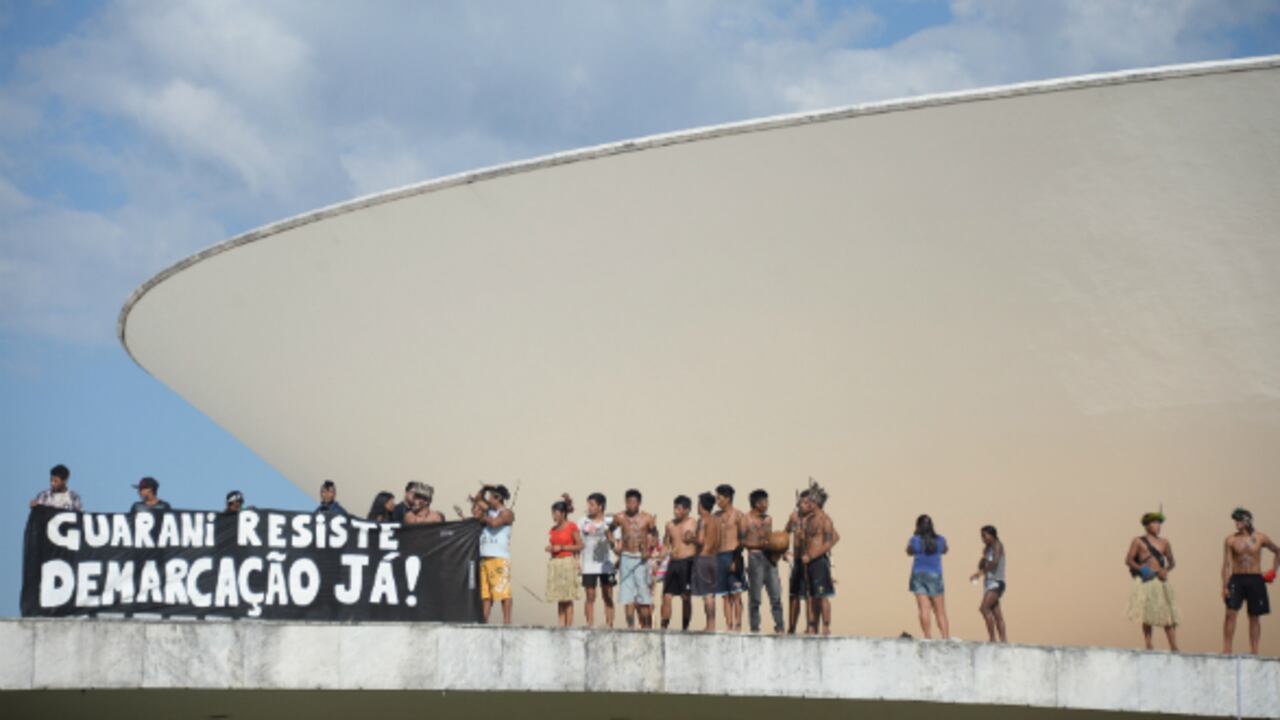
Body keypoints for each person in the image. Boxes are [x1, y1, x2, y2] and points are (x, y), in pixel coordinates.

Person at [1223, 508, 1278, 654]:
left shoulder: (1260, 537)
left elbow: (1277, 551)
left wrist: (1273, 570)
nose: (1236, 523)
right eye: (1236, 520)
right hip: (1237, 578)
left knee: (1254, 616)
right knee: (1230, 613)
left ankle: (1254, 650)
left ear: (1247, 521)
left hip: (1255, 578)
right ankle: (1227, 648)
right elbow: (1226, 564)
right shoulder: (1231, 540)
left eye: (1239, 520)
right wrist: (1225, 585)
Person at [1124, 512, 1179, 651]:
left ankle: (1174, 645)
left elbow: (1172, 562)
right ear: (1147, 526)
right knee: (1147, 614)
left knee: (1167, 613)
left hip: (1160, 581)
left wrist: (1166, 570)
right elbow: (1128, 560)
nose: (1158, 526)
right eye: (1154, 523)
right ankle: (1149, 644)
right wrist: (1141, 569)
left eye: (1159, 523)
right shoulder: (1138, 541)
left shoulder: (1165, 542)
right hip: (1147, 581)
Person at [612, 489, 658, 629]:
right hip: (626, 557)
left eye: (634, 501)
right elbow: (609, 531)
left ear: (639, 503)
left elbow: (655, 535)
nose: (631, 504)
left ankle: (647, 627)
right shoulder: (619, 517)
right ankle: (630, 628)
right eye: (628, 501)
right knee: (628, 597)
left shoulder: (647, 518)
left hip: (641, 559)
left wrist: (649, 550)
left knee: (643, 596)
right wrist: (614, 545)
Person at [473, 484, 515, 624]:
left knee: (503, 592)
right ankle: (485, 621)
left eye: (491, 496)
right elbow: (477, 499)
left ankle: (506, 622)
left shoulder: (506, 513)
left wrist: (481, 517)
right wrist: (484, 488)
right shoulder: (489, 510)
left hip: (498, 557)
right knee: (486, 595)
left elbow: (494, 523)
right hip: (485, 557)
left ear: (497, 498)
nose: (488, 498)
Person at [743, 489, 784, 634]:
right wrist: (758, 545)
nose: (767, 504)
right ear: (756, 503)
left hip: (769, 558)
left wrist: (779, 550)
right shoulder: (745, 519)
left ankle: (780, 626)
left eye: (767, 501)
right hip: (755, 558)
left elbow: (770, 539)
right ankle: (755, 628)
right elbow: (742, 541)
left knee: (776, 594)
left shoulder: (768, 519)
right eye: (764, 502)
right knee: (755, 597)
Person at [799, 488, 838, 635]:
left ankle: (826, 626)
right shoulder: (809, 519)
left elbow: (829, 543)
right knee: (810, 596)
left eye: (810, 501)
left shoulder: (825, 520)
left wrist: (812, 555)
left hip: (819, 562)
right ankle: (811, 625)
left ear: (815, 502)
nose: (807, 503)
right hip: (808, 562)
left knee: (822, 595)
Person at [907, 514, 949, 640]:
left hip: (918, 574)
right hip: (935, 574)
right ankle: (945, 637)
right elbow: (945, 550)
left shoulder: (914, 539)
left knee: (923, 608)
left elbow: (909, 551)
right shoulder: (940, 539)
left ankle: (928, 637)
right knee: (940, 610)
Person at [578, 492, 616, 628]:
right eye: (588, 504)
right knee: (590, 596)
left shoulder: (610, 522)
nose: (589, 507)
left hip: (606, 565)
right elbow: (578, 542)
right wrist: (577, 562)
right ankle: (589, 625)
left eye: (592, 504)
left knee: (608, 596)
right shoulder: (583, 521)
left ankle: (610, 625)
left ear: (600, 506)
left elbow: (615, 544)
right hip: (588, 565)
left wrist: (609, 535)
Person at [714, 484, 748, 631]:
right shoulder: (715, 516)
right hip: (719, 557)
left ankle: (738, 624)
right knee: (724, 595)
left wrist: (735, 559)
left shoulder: (739, 515)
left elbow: (742, 539)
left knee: (736, 594)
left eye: (719, 498)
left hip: (733, 555)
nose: (717, 501)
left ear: (727, 498)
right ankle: (729, 625)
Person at [661, 495, 698, 630]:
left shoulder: (694, 523)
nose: (676, 511)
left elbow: (701, 542)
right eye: (675, 508)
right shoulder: (669, 525)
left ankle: (685, 628)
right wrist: (659, 559)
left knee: (685, 597)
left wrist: (693, 539)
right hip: (673, 562)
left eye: (679, 508)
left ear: (687, 510)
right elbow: (666, 545)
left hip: (688, 562)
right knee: (666, 596)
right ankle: (663, 627)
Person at [546, 495, 583, 627]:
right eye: (553, 513)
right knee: (559, 597)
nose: (554, 516)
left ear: (562, 513)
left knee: (567, 597)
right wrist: (551, 549)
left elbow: (580, 545)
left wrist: (561, 547)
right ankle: (561, 624)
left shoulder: (571, 526)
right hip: (556, 562)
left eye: (555, 513)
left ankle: (569, 625)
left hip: (567, 561)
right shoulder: (553, 529)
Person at [969, 525, 1007, 643]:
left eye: (984, 536)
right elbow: (983, 564)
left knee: (984, 608)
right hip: (988, 582)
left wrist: (980, 573)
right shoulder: (987, 548)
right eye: (982, 536)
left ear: (992, 535)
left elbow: (994, 562)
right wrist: (983, 559)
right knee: (996, 613)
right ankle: (1003, 641)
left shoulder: (997, 545)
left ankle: (992, 639)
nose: (983, 538)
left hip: (996, 582)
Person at [691, 492, 722, 631]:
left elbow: (700, 541)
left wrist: (689, 538)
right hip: (715, 559)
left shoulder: (702, 520)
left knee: (707, 595)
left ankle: (710, 626)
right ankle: (712, 624)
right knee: (711, 595)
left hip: (703, 558)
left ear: (701, 506)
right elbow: (719, 541)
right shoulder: (717, 520)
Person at [786, 492, 809, 634]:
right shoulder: (794, 516)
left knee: (809, 596)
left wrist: (805, 537)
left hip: (810, 560)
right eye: (802, 502)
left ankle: (810, 627)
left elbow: (821, 541)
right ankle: (792, 627)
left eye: (807, 502)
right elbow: (785, 532)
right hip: (797, 560)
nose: (803, 505)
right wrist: (783, 550)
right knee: (793, 595)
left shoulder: (816, 518)